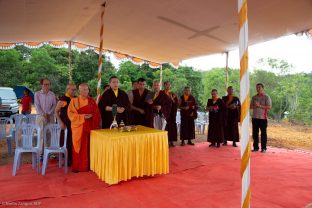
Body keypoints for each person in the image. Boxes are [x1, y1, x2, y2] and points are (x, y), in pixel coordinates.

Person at [68, 83, 101, 172]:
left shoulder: (92, 101)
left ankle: (89, 166)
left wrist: (92, 116)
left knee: (88, 146)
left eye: (86, 89)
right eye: (83, 89)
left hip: (89, 127)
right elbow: (71, 114)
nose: (85, 91)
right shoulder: (74, 101)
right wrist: (83, 117)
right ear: (79, 91)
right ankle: (77, 167)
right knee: (78, 146)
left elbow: (97, 114)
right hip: (78, 127)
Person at [55, 83, 76, 166]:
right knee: (66, 141)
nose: (74, 91)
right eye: (72, 90)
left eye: (75, 89)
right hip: (66, 124)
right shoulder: (62, 100)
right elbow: (56, 112)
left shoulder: (75, 98)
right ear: (67, 90)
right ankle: (67, 160)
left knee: (73, 142)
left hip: (74, 123)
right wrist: (60, 122)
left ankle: (74, 160)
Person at [34, 78, 57, 156]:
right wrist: (44, 115)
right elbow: (37, 106)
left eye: (48, 84)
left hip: (50, 117)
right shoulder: (37, 94)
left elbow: (54, 105)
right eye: (45, 84)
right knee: (41, 135)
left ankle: (49, 152)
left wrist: (49, 113)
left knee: (50, 134)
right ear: (41, 85)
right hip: (41, 117)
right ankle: (41, 153)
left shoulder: (52, 94)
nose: (46, 86)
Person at [250, 83, 272, 153]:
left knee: (263, 133)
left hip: (263, 118)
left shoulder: (266, 97)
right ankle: (255, 147)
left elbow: (269, 107)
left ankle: (263, 148)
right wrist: (254, 106)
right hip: (255, 117)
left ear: (263, 88)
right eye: (257, 87)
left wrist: (259, 105)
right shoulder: (254, 97)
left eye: (259, 87)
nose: (258, 89)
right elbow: (250, 107)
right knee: (255, 133)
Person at [164, 81, 178, 147]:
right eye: (167, 85)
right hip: (164, 113)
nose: (168, 86)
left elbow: (176, 104)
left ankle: (171, 141)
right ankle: (165, 141)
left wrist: (172, 98)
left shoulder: (172, 93)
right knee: (165, 127)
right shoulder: (162, 93)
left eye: (169, 85)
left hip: (172, 114)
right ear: (164, 85)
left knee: (171, 127)